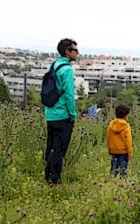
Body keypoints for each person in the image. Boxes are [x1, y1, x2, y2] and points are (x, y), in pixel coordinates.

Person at [44, 38, 79, 186]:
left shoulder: (53, 66)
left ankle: (48, 175)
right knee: (60, 148)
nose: (77, 53)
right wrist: (73, 114)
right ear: (67, 52)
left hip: (50, 113)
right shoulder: (67, 70)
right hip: (63, 115)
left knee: (51, 146)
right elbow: (69, 94)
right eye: (75, 50)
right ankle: (55, 179)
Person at [107, 104, 133, 179]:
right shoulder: (126, 126)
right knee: (123, 170)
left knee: (113, 170)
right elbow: (128, 141)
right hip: (123, 152)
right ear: (126, 115)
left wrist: (109, 150)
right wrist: (130, 152)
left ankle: (112, 183)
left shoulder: (111, 125)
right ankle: (122, 184)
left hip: (114, 151)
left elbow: (108, 138)